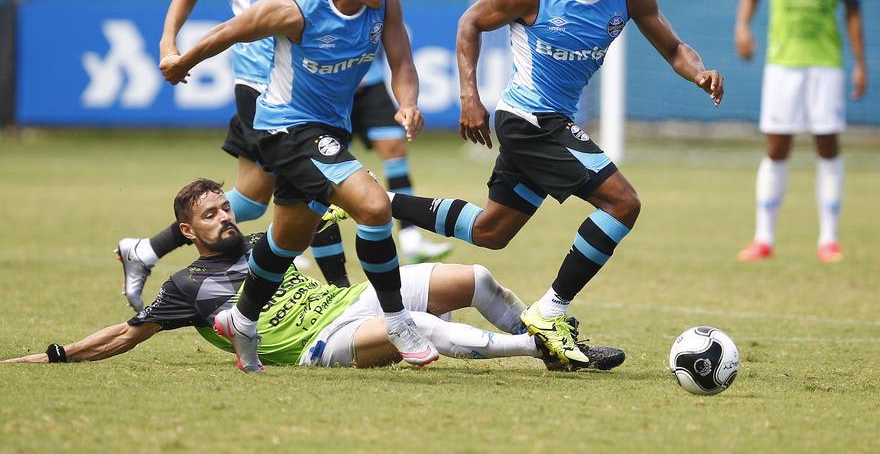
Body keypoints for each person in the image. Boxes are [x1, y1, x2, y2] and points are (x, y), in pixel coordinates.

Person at [386, 0, 724, 367]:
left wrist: (700, 72)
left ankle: (380, 205)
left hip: (549, 124)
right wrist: (468, 96)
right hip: (530, 120)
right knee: (623, 203)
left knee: (492, 230)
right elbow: (470, 23)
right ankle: (550, 312)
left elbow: (673, 47)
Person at [160, 0, 436, 372]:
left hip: (331, 129)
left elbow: (402, 59)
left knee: (288, 238)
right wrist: (182, 58)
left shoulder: (385, 2)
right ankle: (397, 319)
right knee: (373, 207)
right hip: (284, 128)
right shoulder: (297, 8)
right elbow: (229, 31)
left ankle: (243, 319)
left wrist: (407, 103)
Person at [6, 179, 624, 372]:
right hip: (320, 346)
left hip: (350, 299)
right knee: (425, 327)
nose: (225, 217)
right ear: (187, 234)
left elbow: (321, 222)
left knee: (479, 279)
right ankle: (541, 344)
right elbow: (125, 334)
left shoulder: (263, 242)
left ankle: (543, 344)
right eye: (210, 215)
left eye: (226, 207)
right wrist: (55, 356)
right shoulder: (186, 288)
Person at [114, 0, 343, 313]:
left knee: (255, 199)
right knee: (316, 179)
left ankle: (146, 249)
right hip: (260, 86)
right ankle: (341, 290)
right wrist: (168, 45)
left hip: (302, 86)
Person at [734, 0, 867, 264]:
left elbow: (854, 12)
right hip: (783, 64)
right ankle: (763, 238)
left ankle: (829, 238)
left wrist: (860, 63)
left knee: (827, 144)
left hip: (826, 64)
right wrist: (742, 28)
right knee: (777, 146)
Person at [317, 0, 452, 266]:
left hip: (369, 81)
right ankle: (294, 248)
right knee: (307, 181)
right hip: (325, 91)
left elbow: (398, 52)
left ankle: (409, 236)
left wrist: (408, 102)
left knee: (394, 146)